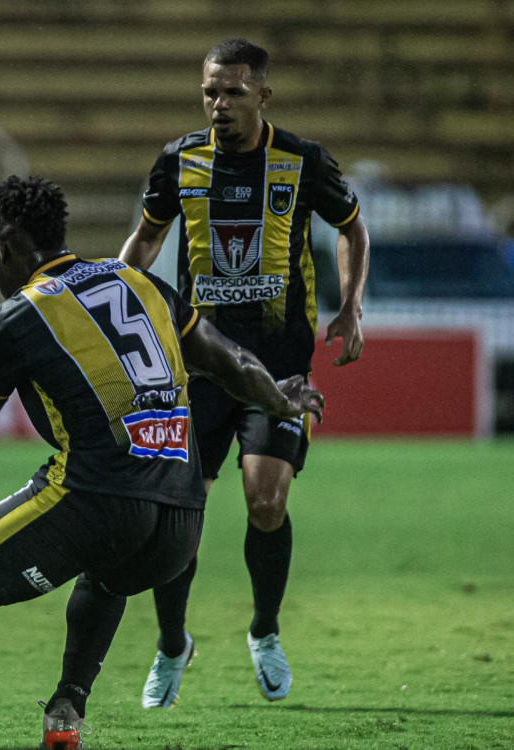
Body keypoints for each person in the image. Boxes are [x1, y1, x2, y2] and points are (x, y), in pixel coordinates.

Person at [0, 175, 324, 750]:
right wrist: (280, 400)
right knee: (106, 573)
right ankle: (66, 711)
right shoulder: (140, 281)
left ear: (3, 245)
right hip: (183, 520)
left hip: (98, 501)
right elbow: (233, 362)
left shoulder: (16, 319)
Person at [117, 38, 370, 707]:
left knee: (266, 501)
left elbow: (352, 228)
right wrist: (122, 310)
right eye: (209, 92)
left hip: (280, 368)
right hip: (198, 365)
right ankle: (173, 645)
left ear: (264, 94)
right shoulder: (178, 160)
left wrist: (349, 308)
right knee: (177, 513)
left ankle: (263, 630)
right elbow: (144, 241)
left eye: (232, 92)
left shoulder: (303, 162)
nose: (219, 105)